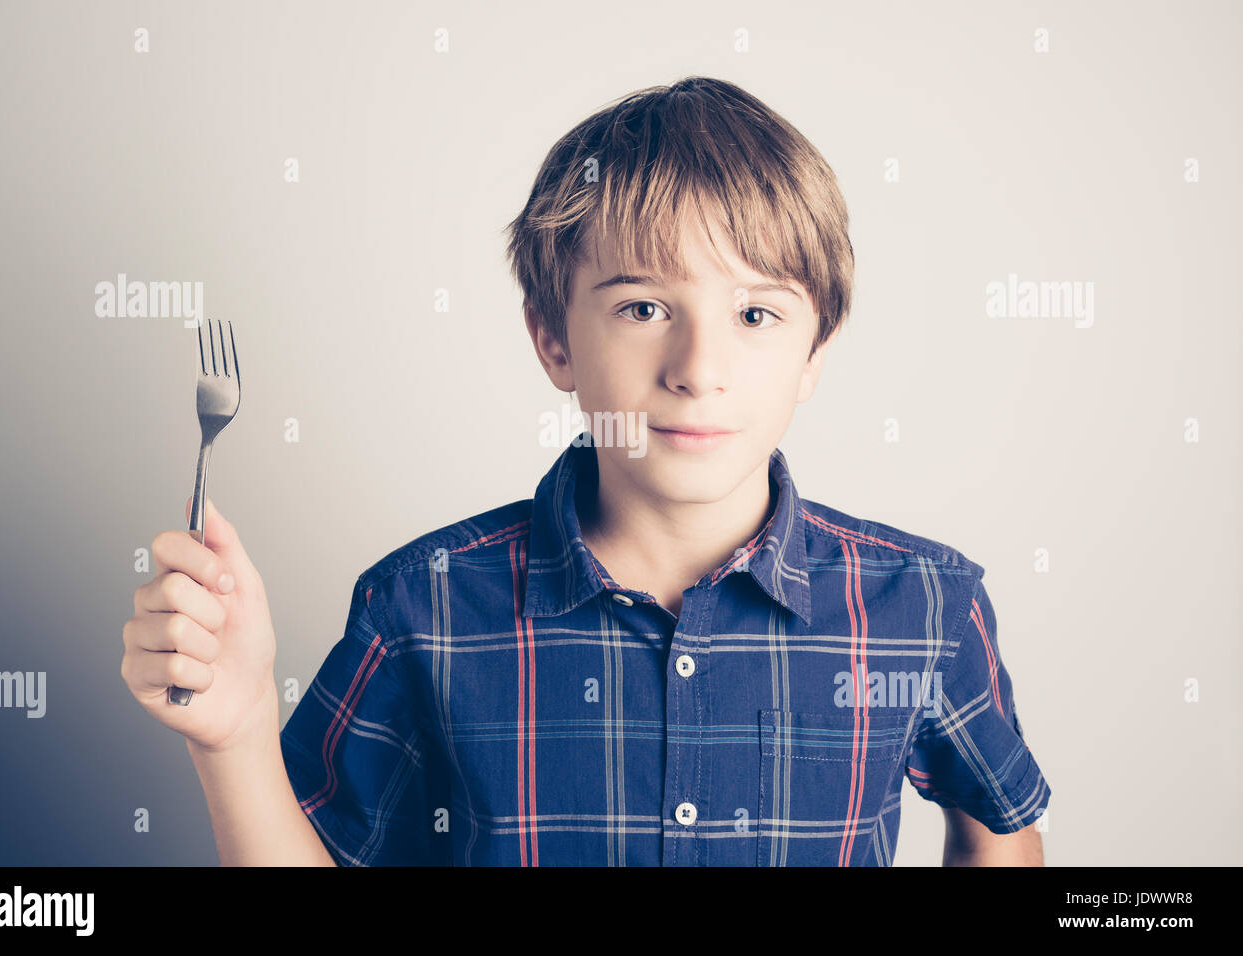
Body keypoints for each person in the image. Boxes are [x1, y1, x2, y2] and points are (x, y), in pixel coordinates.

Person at [121, 76, 1050, 866]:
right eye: (643, 307)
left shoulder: (926, 607)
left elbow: (1001, 835)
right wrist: (236, 731)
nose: (698, 368)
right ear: (554, 341)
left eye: (757, 316)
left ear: (816, 352)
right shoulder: (424, 609)